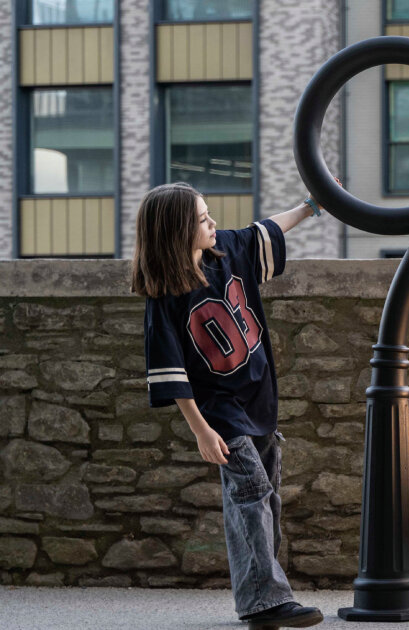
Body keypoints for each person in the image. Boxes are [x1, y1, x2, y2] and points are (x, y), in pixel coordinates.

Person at [131, 181, 335, 629]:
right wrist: (201, 430)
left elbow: (266, 230)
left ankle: (258, 597)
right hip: (220, 412)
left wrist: (312, 206)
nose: (213, 223)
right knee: (251, 495)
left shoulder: (226, 251)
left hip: (259, 397)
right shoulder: (164, 297)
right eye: (203, 219)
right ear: (178, 231)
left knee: (267, 501)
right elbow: (171, 372)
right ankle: (265, 602)